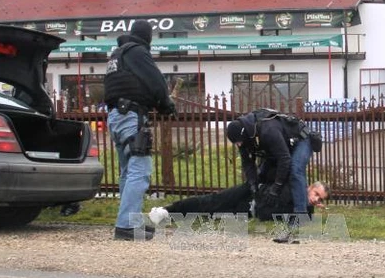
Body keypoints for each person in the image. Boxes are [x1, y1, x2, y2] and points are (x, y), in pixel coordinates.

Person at [104, 20, 176, 241]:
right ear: (148, 37)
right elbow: (156, 81)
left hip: (116, 115)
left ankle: (128, 222)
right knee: (140, 171)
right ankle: (126, 225)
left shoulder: (117, 54)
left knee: (128, 172)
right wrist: (167, 105)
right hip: (131, 116)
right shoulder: (137, 51)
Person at [148, 181, 329, 243]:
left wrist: (311, 207)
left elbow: (301, 221)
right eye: (316, 194)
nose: (315, 199)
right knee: (210, 202)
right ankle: (165, 211)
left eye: (320, 200)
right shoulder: (295, 185)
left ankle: (170, 217)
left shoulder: (303, 209)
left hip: (247, 211)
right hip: (247, 193)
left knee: (210, 214)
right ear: (310, 187)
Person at [225, 109, 322, 215]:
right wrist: (253, 185)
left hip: (301, 139)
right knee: (263, 174)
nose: (239, 145)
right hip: (283, 145)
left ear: (243, 133)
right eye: (236, 143)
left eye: (239, 142)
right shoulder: (244, 137)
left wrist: (276, 187)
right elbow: (247, 163)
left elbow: (284, 159)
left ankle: (302, 212)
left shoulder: (268, 130)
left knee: (295, 169)